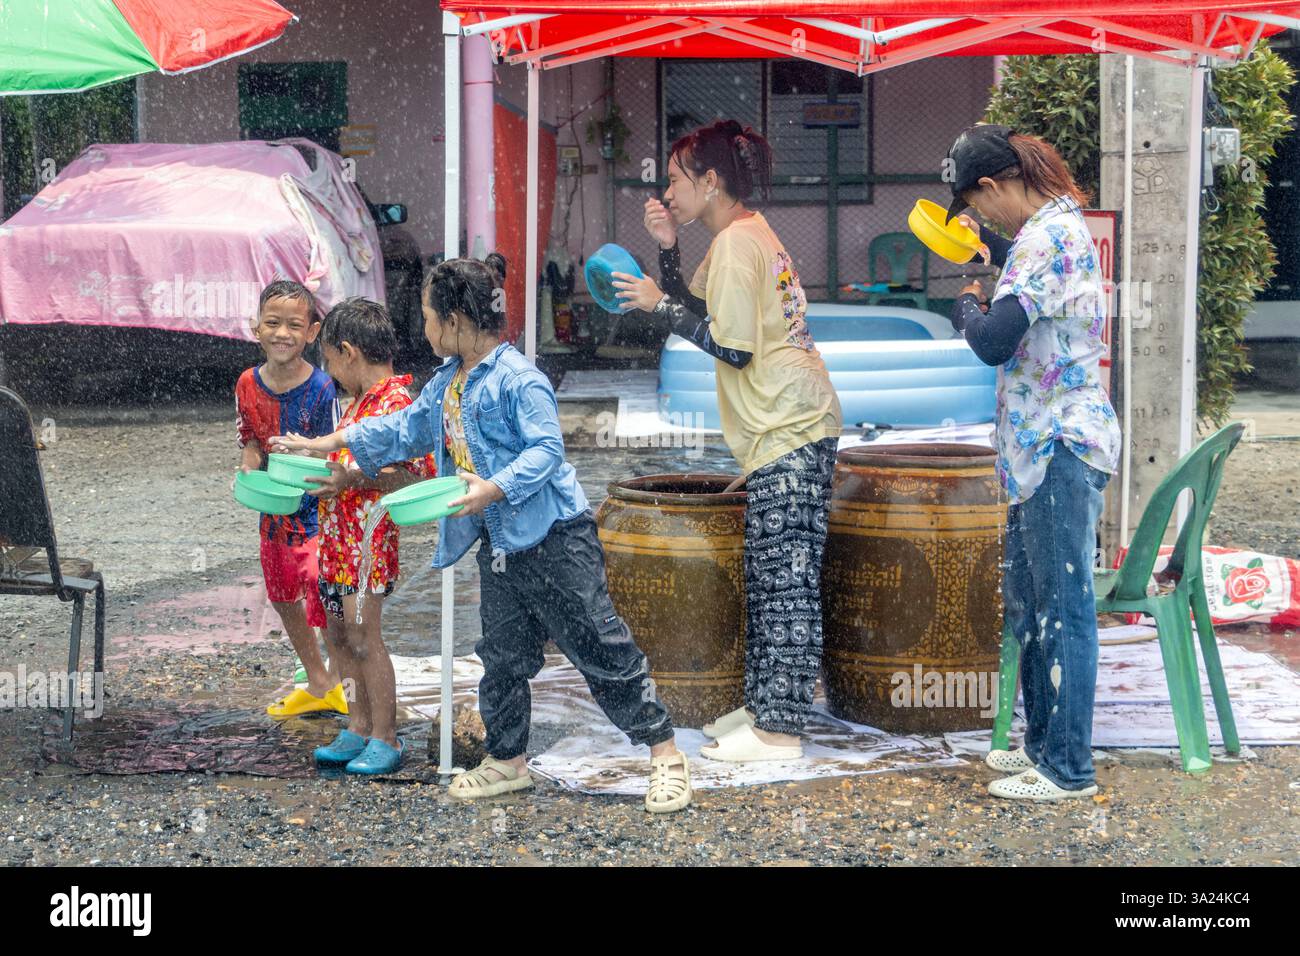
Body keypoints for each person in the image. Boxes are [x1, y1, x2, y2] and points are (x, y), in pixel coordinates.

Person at [277, 256, 693, 812]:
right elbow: (405, 428)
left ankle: (664, 754)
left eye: (428, 318)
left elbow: (547, 449)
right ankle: (507, 759)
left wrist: (493, 488)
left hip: (554, 536)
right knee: (502, 653)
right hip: (498, 541)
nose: (423, 330)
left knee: (597, 643)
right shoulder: (449, 381)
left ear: (454, 320)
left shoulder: (518, 378)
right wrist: (329, 444)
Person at [616, 119, 842, 763]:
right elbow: (700, 306)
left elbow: (733, 347)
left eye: (676, 180)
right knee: (770, 572)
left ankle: (780, 731)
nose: (666, 192)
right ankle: (768, 706)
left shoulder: (741, 243)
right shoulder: (740, 235)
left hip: (789, 425)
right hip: (785, 425)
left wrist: (659, 305)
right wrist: (666, 251)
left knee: (786, 581)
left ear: (710, 180)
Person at [944, 124, 1121, 801]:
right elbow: (1019, 273)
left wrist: (965, 299)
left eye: (977, 207)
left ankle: (1068, 769)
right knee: (1030, 605)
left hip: (1058, 449)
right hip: (1036, 451)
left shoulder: (1046, 240)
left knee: (1060, 608)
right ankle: (1044, 747)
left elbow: (992, 340)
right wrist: (986, 253)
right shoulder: (1048, 230)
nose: (980, 220)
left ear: (993, 186)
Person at [276, 298, 435, 775]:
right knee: (341, 636)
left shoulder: (396, 403)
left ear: (347, 352)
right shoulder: (361, 404)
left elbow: (417, 479)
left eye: (329, 359)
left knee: (366, 637)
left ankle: (386, 736)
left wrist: (352, 480)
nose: (330, 371)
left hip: (369, 546)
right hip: (339, 543)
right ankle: (358, 726)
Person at [236, 280, 346, 718]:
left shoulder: (323, 388)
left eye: (294, 325)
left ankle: (339, 678)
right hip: (274, 512)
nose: (282, 333)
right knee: (283, 596)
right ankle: (316, 679)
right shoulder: (247, 383)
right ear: (256, 327)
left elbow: (331, 449)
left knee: (325, 598)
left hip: (317, 510)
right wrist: (248, 471)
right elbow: (250, 440)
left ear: (312, 333)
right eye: (273, 323)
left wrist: (300, 450)